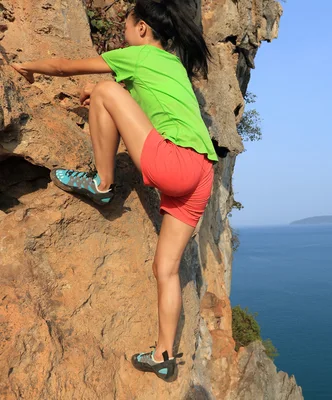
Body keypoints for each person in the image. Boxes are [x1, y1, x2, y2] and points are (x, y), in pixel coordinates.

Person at [11, 0, 216, 382]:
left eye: (126, 27)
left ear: (141, 30)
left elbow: (63, 67)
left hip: (176, 164)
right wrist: (108, 101)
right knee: (166, 269)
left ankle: (101, 184)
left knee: (104, 88)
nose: (123, 34)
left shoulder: (137, 56)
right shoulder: (173, 65)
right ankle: (163, 356)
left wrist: (24, 66)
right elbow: (152, 106)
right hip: (202, 172)